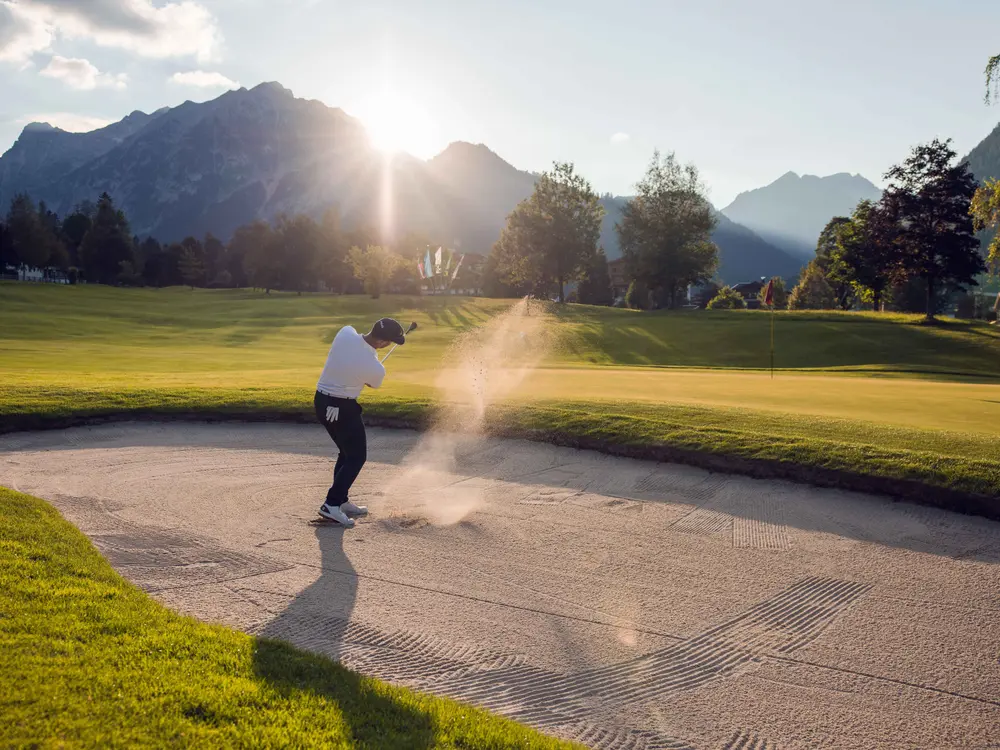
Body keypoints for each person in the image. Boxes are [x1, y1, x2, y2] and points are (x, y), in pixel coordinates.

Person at [313, 318, 407, 527]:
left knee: (346, 453)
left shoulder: (345, 333)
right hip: (341, 408)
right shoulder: (375, 368)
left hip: (322, 401)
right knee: (356, 457)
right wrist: (371, 364)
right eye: (390, 342)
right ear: (383, 343)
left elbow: (356, 353)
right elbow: (372, 384)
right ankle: (331, 504)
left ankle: (341, 500)